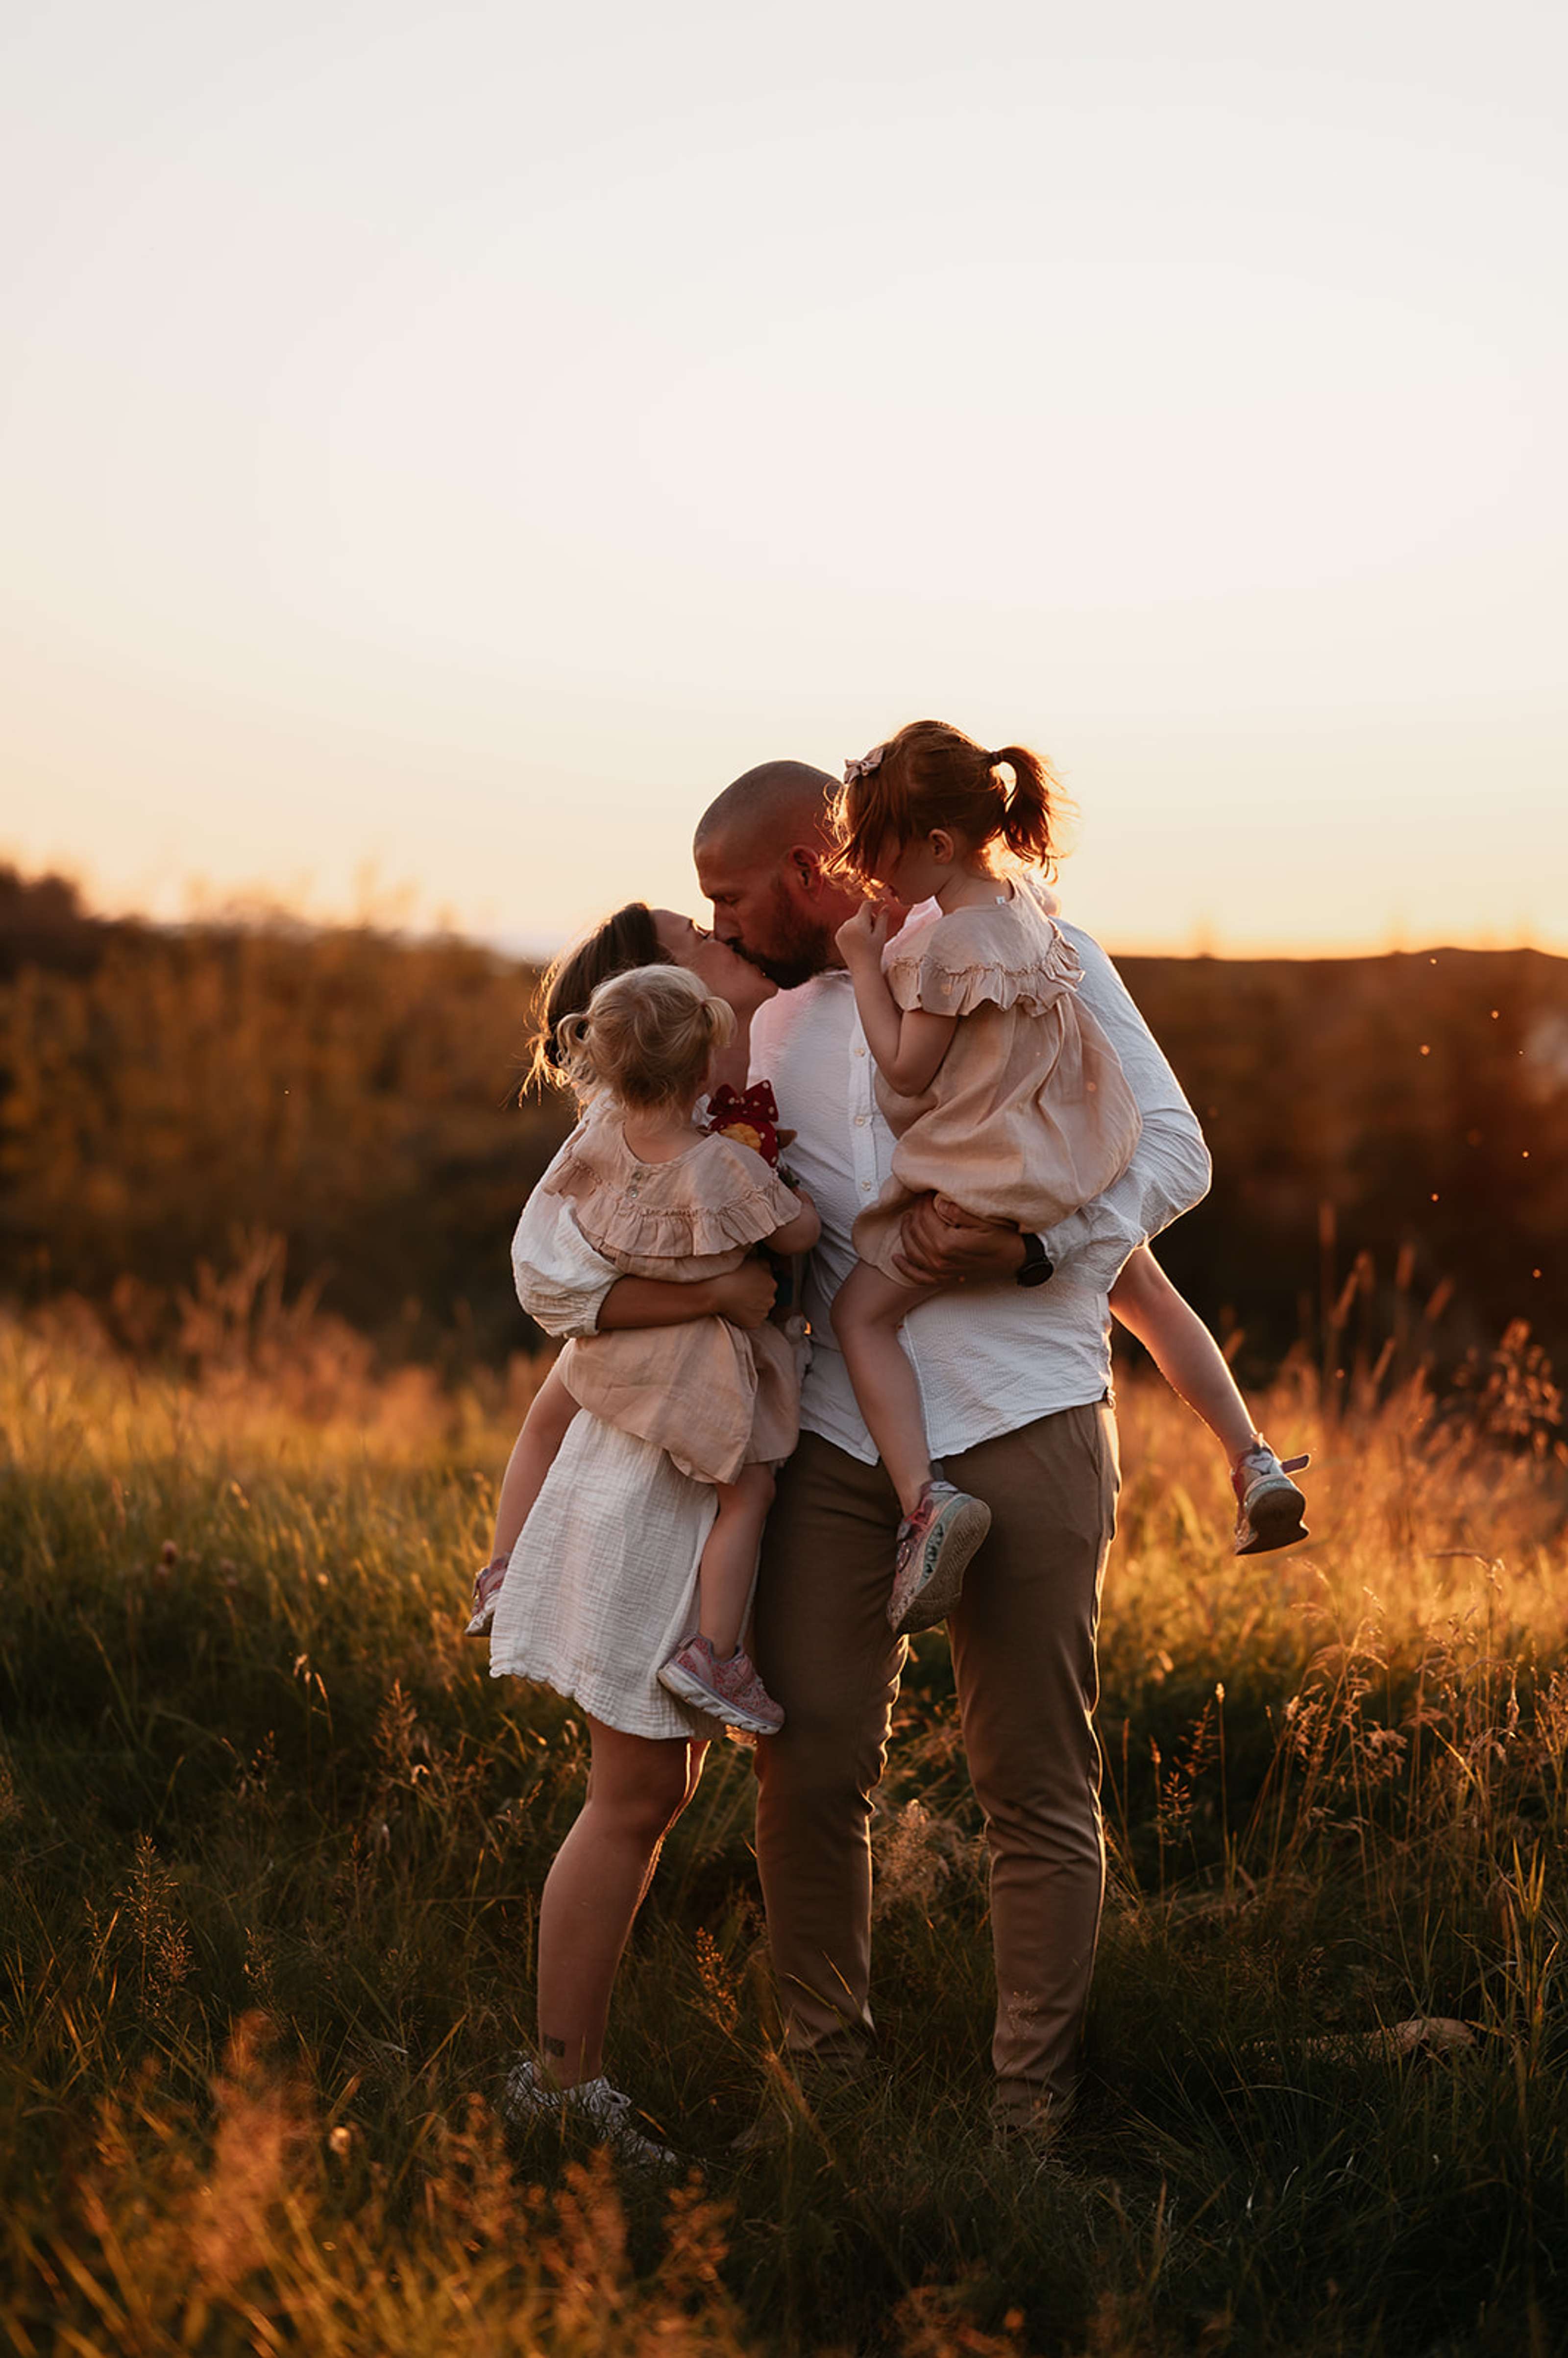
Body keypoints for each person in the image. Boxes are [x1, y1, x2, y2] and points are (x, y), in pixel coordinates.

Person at [490, 906, 792, 2162]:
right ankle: (560, 2090)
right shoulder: (634, 1164)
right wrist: (727, 1283)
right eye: (695, 940)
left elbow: (552, 1389)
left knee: (644, 1792)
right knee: (627, 1799)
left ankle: (566, 2076)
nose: (720, 941)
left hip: (629, 1494)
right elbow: (557, 1306)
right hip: (635, 1507)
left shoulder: (628, 1160)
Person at [828, 721, 1145, 1636]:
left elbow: (905, 1069)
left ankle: (926, 1502)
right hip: (1038, 1162)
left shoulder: (947, 946)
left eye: (880, 855)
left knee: (859, 1315)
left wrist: (861, 960)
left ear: (935, 846)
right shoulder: (1024, 916)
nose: (873, 878)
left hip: (971, 1177)